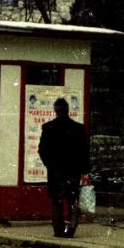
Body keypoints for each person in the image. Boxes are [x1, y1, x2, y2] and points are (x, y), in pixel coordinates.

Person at [38, 97, 89, 238]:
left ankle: (58, 230)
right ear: (68, 110)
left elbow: (42, 150)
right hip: (73, 171)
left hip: (55, 171)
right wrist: (84, 171)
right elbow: (84, 151)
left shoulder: (48, 128)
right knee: (73, 200)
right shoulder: (78, 128)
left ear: (55, 111)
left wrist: (50, 165)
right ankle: (71, 229)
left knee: (56, 200)